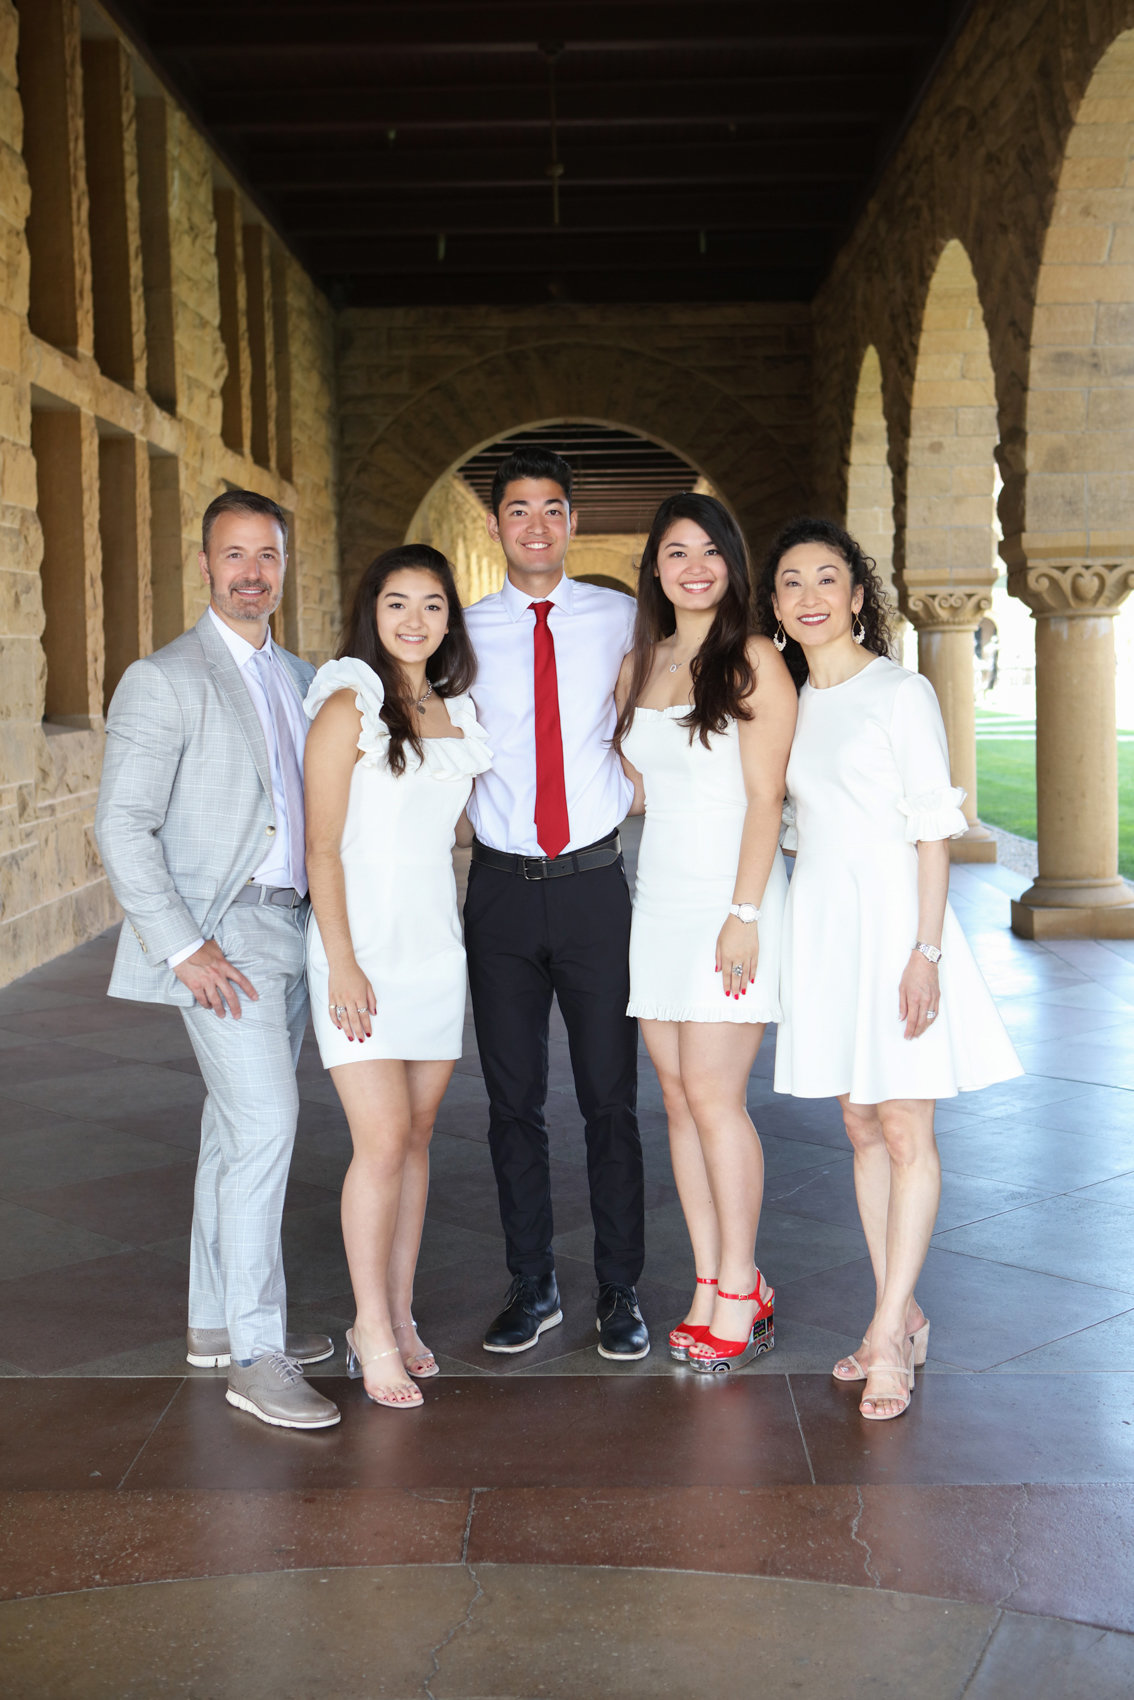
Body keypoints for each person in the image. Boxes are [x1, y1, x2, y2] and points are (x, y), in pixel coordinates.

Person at [758, 517, 1022, 1420]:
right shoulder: (792, 700)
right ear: (777, 605)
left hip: (900, 930)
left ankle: (886, 1342)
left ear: (858, 596)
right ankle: (898, 1311)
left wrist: (927, 951)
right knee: (860, 1124)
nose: (810, 596)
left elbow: (931, 828)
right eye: (792, 582)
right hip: (827, 930)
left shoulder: (899, 692)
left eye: (827, 578)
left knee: (906, 1127)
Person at [95, 491, 339, 1431]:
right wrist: (184, 944)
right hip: (222, 939)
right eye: (233, 556)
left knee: (233, 1132)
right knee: (269, 1122)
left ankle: (212, 1325)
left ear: (284, 565)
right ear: (204, 565)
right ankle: (257, 1352)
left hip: (291, 932)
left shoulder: (304, 676)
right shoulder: (165, 677)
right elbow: (122, 824)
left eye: (266, 556)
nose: (250, 573)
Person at [463, 446, 648, 1359]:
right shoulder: (459, 630)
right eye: (518, 510)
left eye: (552, 509)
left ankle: (621, 1291)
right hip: (498, 890)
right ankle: (531, 1283)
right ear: (496, 525)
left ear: (572, 523)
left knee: (612, 1099)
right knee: (512, 1103)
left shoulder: (621, 617)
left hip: (592, 889)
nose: (536, 524)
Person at [614, 493, 797, 1374]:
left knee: (718, 1099)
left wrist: (745, 914)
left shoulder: (754, 658)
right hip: (661, 903)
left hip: (734, 906)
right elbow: (638, 788)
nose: (693, 566)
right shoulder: (643, 662)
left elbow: (765, 797)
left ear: (732, 565)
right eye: (676, 552)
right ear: (656, 567)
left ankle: (740, 1285)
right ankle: (707, 1279)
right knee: (678, 1099)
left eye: (710, 552)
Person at [303, 545, 490, 1409]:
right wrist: (341, 960)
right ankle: (367, 1326)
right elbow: (322, 846)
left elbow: (448, 832)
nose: (414, 621)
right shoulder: (349, 706)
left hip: (432, 949)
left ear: (450, 619)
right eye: (397, 604)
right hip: (360, 951)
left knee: (415, 1141)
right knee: (378, 1142)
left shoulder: (457, 712)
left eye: (432, 606)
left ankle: (403, 1314)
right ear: (370, 613)